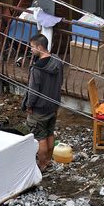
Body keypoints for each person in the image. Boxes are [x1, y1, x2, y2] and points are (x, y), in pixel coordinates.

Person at [21, 34, 64, 172]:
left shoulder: (37, 69)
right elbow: (60, 82)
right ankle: (48, 161)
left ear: (40, 47)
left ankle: (42, 164)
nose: (31, 50)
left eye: (32, 47)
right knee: (50, 133)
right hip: (53, 105)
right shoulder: (57, 61)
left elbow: (33, 91)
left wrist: (29, 105)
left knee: (40, 137)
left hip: (39, 108)